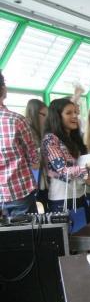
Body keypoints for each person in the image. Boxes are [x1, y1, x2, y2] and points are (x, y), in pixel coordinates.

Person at [41, 98, 90, 221]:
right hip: (61, 200)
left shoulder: (73, 138)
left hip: (79, 195)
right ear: (57, 116)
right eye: (68, 113)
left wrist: (88, 176)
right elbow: (62, 171)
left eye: (75, 112)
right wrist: (88, 167)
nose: (74, 116)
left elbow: (76, 168)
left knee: (84, 235)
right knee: (70, 238)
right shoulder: (50, 139)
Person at [0, 70, 39, 217]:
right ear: (4, 90)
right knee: (26, 236)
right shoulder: (16, 120)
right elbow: (33, 158)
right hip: (20, 191)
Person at [25, 98, 49, 210]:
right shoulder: (27, 133)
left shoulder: (42, 132)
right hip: (33, 184)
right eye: (44, 115)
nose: (46, 118)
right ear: (34, 114)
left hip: (43, 182)